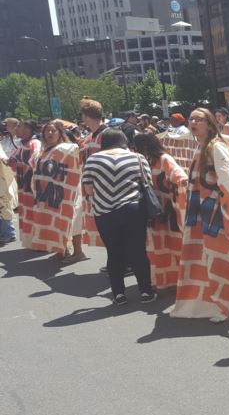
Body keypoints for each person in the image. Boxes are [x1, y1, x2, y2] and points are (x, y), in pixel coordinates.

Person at [171, 108, 229, 322]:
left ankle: (227, 304)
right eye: (191, 118)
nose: (193, 122)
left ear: (210, 123)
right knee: (210, 258)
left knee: (223, 256)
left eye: (199, 119)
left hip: (217, 213)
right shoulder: (201, 147)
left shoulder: (216, 148)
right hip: (202, 213)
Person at [81, 128, 157, 305]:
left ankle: (119, 294)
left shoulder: (92, 160)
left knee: (114, 252)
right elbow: (148, 183)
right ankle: (145, 291)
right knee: (138, 251)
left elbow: (88, 189)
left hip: (104, 212)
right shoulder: (137, 158)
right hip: (133, 209)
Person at [133, 133, 188, 290]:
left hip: (168, 210)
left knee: (174, 244)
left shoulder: (164, 159)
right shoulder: (147, 160)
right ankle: (165, 280)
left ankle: (179, 279)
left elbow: (179, 176)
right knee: (158, 245)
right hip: (155, 210)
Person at [27, 120, 84, 262]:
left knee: (72, 221)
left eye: (53, 131)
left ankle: (78, 252)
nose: (50, 133)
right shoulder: (42, 152)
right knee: (55, 222)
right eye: (47, 131)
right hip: (49, 195)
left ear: (60, 133)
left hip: (67, 194)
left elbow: (78, 157)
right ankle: (61, 249)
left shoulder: (68, 149)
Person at [76, 98, 109, 251]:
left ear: (86, 116)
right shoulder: (89, 137)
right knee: (103, 227)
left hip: (108, 188)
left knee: (112, 226)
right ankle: (115, 259)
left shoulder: (108, 134)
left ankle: (122, 261)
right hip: (94, 189)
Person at [8, 120, 41, 247]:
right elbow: (13, 160)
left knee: (34, 213)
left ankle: (38, 241)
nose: (16, 128)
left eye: (19, 126)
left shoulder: (34, 143)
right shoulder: (23, 145)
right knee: (28, 212)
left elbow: (36, 162)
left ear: (27, 129)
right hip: (24, 186)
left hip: (31, 186)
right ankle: (33, 241)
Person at [0, 118, 21, 245]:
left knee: (4, 204)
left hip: (4, 176)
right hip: (5, 175)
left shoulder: (17, 140)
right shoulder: (5, 141)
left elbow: (3, 159)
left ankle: (8, 233)